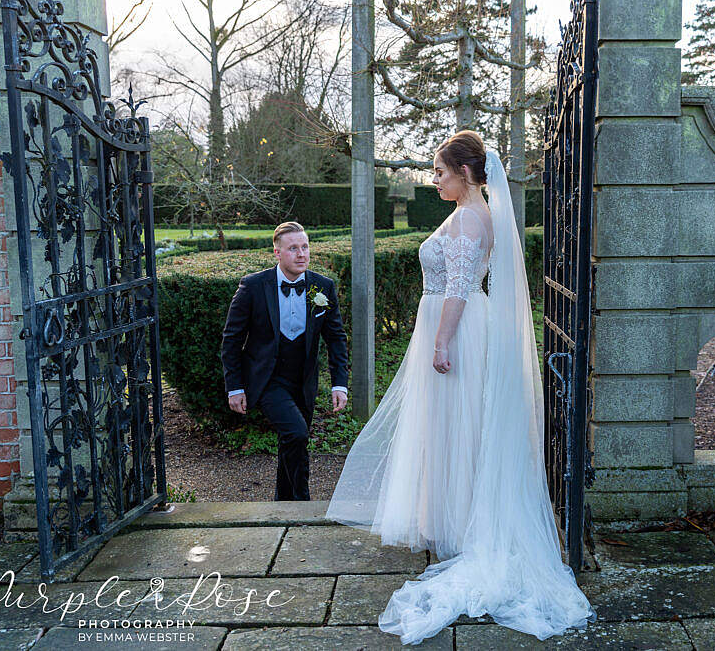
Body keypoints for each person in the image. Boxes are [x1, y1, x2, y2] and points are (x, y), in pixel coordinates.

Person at [326, 130, 596, 644]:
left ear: (466, 173)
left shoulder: (472, 218)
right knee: (450, 424)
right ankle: (452, 516)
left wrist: (443, 340)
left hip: (458, 328)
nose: (434, 180)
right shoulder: (472, 213)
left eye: (439, 171)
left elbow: (457, 286)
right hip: (455, 322)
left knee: (458, 422)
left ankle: (463, 524)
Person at [221, 221, 350, 501]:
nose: (301, 254)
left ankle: (283, 505)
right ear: (277, 253)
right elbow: (231, 339)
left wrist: (340, 383)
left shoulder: (322, 287)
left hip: (303, 380)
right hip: (267, 379)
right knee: (297, 433)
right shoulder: (254, 286)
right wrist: (235, 387)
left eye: (305, 247)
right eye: (293, 248)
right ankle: (302, 503)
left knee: (292, 442)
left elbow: (336, 337)